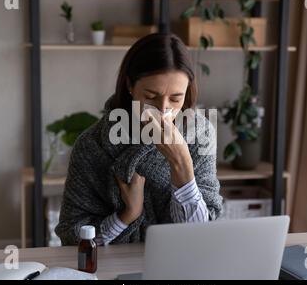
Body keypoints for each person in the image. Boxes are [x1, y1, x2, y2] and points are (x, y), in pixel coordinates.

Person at [55, 33, 223, 245]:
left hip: (179, 265)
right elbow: (72, 237)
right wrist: (127, 215)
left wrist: (181, 163)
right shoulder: (92, 144)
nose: (163, 109)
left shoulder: (200, 135)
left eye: (175, 98)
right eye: (151, 96)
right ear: (130, 86)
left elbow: (203, 237)